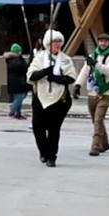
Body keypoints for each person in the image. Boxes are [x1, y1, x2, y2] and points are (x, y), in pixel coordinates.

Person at [27, 30, 77, 167]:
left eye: (59, 41)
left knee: (54, 129)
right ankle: (43, 151)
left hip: (59, 99)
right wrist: (44, 72)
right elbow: (30, 76)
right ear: (48, 44)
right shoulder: (39, 58)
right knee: (38, 128)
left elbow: (71, 77)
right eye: (54, 41)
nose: (57, 44)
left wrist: (56, 78)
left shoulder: (66, 59)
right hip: (41, 98)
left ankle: (51, 157)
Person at [73, 32, 109, 156]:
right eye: (101, 41)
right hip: (92, 93)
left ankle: (95, 145)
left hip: (106, 93)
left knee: (98, 119)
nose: (103, 43)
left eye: (105, 41)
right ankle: (104, 143)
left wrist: (96, 64)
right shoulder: (92, 55)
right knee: (96, 120)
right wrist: (77, 85)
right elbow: (85, 72)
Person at [4, 43, 30, 119]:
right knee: (19, 97)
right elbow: (23, 68)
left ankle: (18, 113)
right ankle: (12, 111)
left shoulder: (11, 60)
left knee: (19, 97)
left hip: (16, 82)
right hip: (18, 82)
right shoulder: (15, 61)